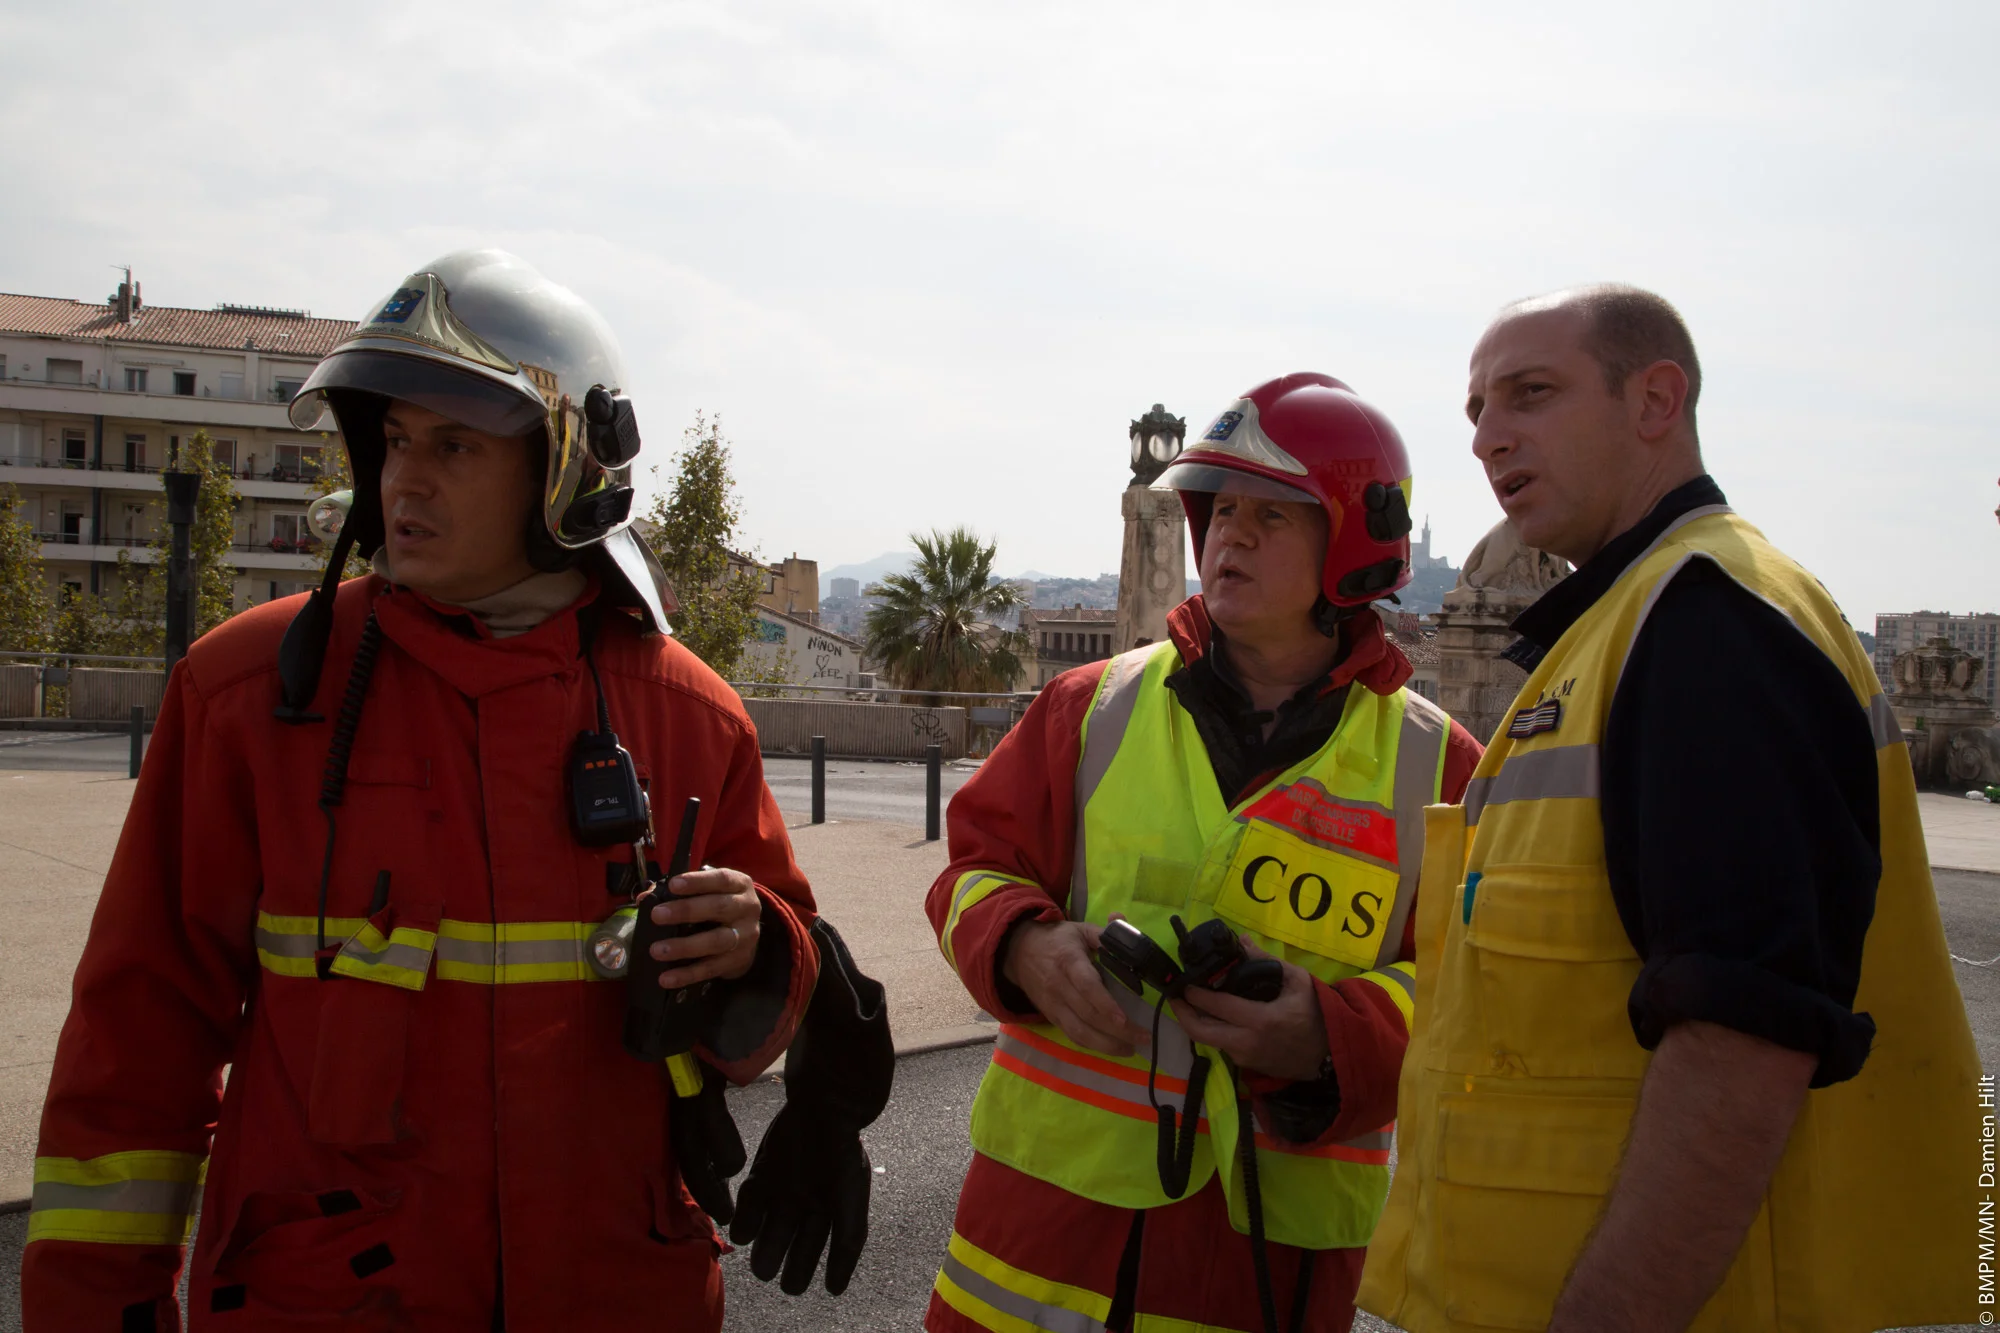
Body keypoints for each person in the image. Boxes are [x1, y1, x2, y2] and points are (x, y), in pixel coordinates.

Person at [22, 250, 891, 1331]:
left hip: (615, 1296)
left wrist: (764, 948)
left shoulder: (692, 715)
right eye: (392, 440)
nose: (403, 481)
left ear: (565, 469)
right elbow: (137, 1038)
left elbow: (770, 1017)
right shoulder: (247, 694)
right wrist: (98, 1307)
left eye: (452, 444)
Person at [1358, 285, 1982, 1332]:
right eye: (1474, 410)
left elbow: (1741, 1039)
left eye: (1530, 393)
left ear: (1654, 400)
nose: (1486, 437)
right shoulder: (1632, 620)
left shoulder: (1707, 626)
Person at [925, 373, 1485, 1333]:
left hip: (1261, 1260)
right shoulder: (1091, 705)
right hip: (1038, 1246)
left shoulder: (1441, 769)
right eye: (1222, 510)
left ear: (1354, 544)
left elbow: (1469, 992)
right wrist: (1021, 943)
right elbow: (972, 870)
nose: (1232, 535)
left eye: (1273, 514)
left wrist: (1333, 1032)